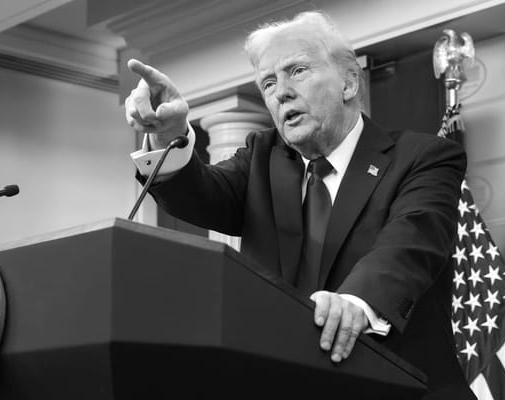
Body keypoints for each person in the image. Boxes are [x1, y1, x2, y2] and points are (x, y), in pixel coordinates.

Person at [125, 10, 475, 399]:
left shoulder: (424, 157)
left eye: (298, 71)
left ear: (348, 82)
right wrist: (171, 136)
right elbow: (199, 194)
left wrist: (356, 302)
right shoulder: (262, 157)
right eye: (269, 82)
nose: (281, 92)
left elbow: (410, 243)